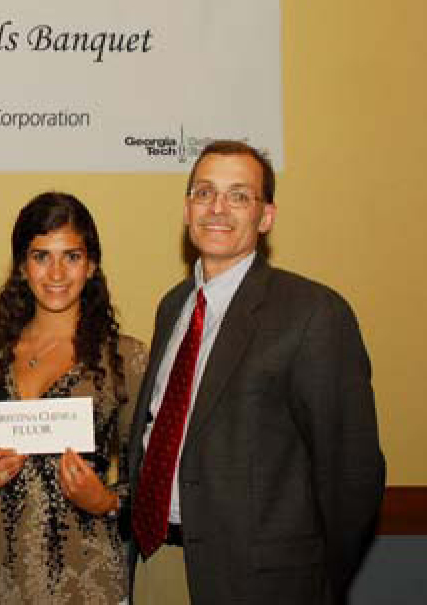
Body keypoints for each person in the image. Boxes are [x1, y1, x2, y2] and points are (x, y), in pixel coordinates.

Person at [128, 141, 385, 605]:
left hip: (264, 585)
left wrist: (315, 584)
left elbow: (352, 474)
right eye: (204, 192)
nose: (217, 208)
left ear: (266, 217)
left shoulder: (312, 314)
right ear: (187, 210)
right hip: (158, 563)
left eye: (239, 196)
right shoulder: (174, 307)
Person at [0, 191, 146, 605]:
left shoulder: (125, 359)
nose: (56, 272)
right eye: (41, 256)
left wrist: (107, 501)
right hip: (1, 585)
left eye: (71, 256)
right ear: (22, 267)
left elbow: (151, 482)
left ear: (91, 265)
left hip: (91, 584)